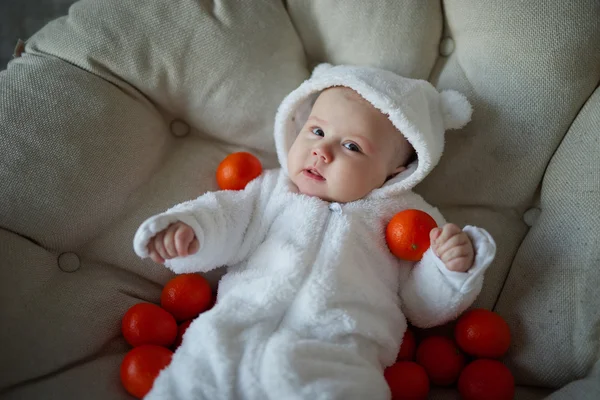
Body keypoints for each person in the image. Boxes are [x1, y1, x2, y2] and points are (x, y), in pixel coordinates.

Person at [133, 63, 496, 400]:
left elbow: (423, 306)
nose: (321, 151)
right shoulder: (272, 190)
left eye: (351, 146)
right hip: (230, 333)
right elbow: (227, 217)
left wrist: (448, 268)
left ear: (396, 171)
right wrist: (190, 230)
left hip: (336, 355)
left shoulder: (408, 217)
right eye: (317, 131)